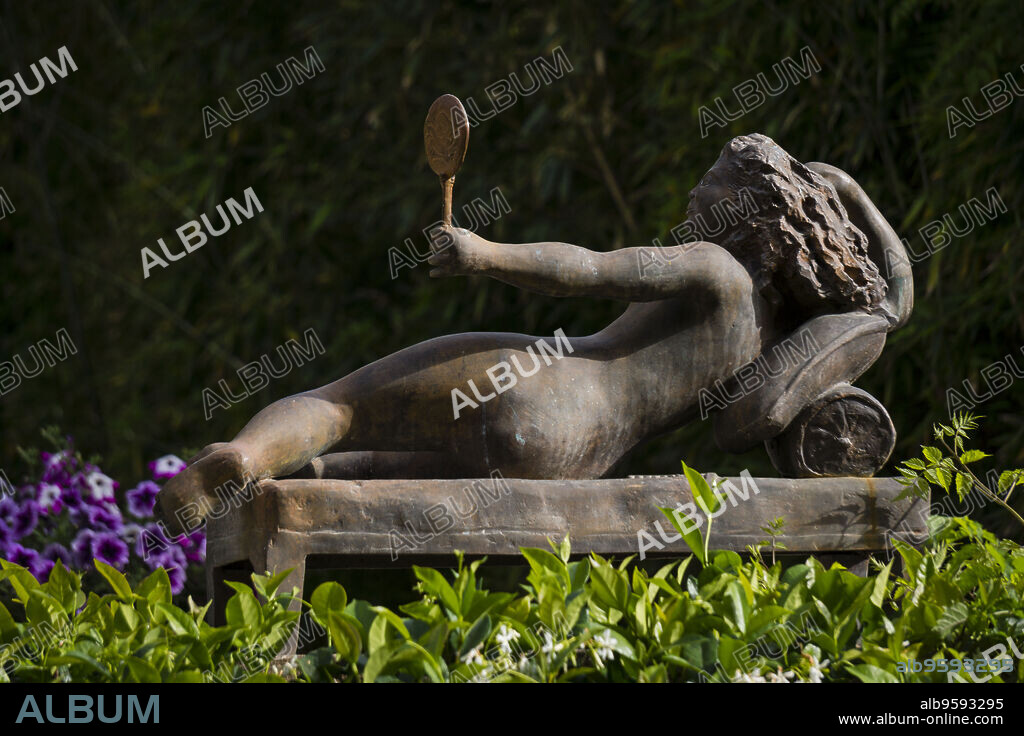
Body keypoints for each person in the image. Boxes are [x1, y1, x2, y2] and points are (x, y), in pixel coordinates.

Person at [156, 134, 895, 536]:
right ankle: (270, 484)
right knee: (366, 470)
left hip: (547, 381)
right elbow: (895, 293)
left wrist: (484, 254)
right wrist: (851, 195)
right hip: (577, 460)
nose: (696, 192)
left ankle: (240, 457)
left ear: (746, 209)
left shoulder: (712, 266)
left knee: (340, 407)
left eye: (713, 182)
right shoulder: (768, 338)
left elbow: (588, 269)